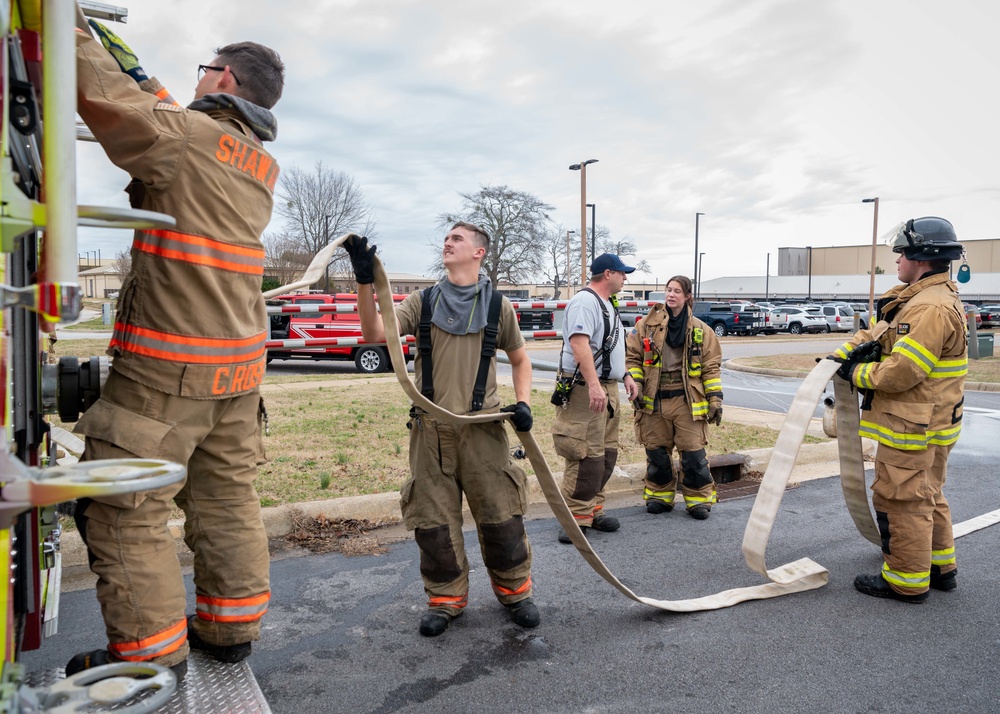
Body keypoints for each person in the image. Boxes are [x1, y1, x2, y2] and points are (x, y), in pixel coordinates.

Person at [68, 16, 285, 678]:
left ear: (222, 77)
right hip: (240, 372)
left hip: (166, 371)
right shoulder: (258, 161)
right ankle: (231, 625)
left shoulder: (186, 139)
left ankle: (148, 653)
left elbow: (102, 89)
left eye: (203, 69)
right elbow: (175, 123)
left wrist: (61, 20)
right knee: (226, 498)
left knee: (122, 506)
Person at [345, 225, 539, 637]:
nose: (447, 243)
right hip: (430, 432)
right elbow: (374, 334)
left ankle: (516, 592)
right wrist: (366, 281)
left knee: (502, 518)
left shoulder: (497, 307)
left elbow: (521, 361)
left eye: (457, 239)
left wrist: (523, 403)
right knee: (433, 524)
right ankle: (446, 599)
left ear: (479, 252)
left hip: (483, 432)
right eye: (446, 238)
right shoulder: (424, 301)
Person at [827, 217, 967, 603]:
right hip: (932, 421)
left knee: (901, 498)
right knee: (927, 493)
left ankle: (905, 580)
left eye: (901, 253)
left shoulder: (929, 309)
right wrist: (835, 358)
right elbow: (877, 331)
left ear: (921, 257)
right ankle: (940, 567)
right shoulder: (920, 299)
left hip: (913, 425)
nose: (897, 261)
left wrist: (857, 373)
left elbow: (903, 371)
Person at [551, 254, 641, 543]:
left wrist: (625, 374)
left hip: (606, 387)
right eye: (622, 273)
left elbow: (609, 348)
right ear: (607, 273)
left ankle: (592, 510)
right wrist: (592, 385)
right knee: (584, 453)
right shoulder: (585, 302)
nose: (625, 278)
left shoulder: (607, 304)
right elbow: (579, 344)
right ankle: (574, 519)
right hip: (585, 389)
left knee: (605, 453)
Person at [625, 275, 723, 519]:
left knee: (693, 455)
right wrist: (636, 384)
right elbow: (633, 358)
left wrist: (715, 399)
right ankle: (659, 496)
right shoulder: (646, 326)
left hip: (687, 400)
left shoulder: (701, 330)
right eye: (668, 290)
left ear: (687, 296)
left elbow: (711, 367)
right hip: (654, 399)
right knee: (656, 453)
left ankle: (698, 500)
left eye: (677, 291)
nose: (671, 294)